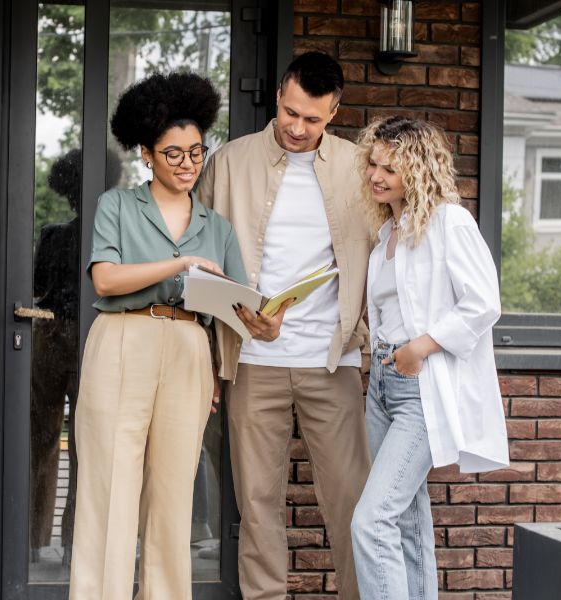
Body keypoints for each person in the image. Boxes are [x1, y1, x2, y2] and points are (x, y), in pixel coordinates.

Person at [198, 51, 372, 600]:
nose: (297, 128)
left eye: (313, 119)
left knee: (352, 502)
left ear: (335, 112)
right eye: (291, 112)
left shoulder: (359, 167)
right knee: (257, 504)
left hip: (332, 359)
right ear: (278, 95)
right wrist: (232, 319)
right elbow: (198, 256)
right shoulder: (228, 162)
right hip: (251, 360)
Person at [68, 72, 246, 600]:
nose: (189, 165)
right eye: (174, 154)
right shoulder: (117, 206)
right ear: (146, 153)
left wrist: (263, 320)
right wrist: (182, 262)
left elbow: (236, 300)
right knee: (111, 488)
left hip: (190, 349)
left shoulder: (218, 225)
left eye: (197, 153)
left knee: (173, 499)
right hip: (123, 341)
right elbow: (105, 278)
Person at [349, 116, 510, 600]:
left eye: (390, 169)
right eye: (373, 164)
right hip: (381, 385)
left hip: (420, 388)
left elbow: (484, 302)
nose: (376, 176)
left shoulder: (448, 222)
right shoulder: (386, 236)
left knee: (372, 520)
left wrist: (420, 347)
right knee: (406, 518)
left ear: (418, 171)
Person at [29, 148, 121, 566]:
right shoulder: (113, 237)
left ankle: (33, 544)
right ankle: (72, 548)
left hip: (48, 335)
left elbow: (35, 286)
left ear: (66, 191)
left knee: (42, 443)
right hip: (91, 340)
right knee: (85, 447)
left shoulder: (52, 234)